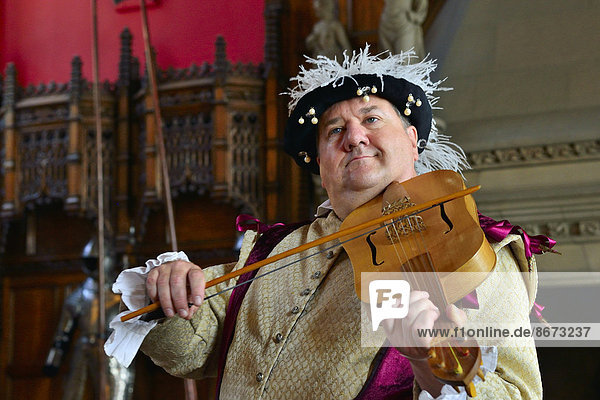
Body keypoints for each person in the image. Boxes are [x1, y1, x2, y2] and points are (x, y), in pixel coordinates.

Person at [105, 47, 550, 399]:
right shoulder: (273, 249)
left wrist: (428, 365)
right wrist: (170, 286)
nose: (354, 136)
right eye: (334, 131)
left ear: (413, 140)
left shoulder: (472, 247)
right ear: (320, 161)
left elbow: (516, 394)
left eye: (372, 119)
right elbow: (190, 353)